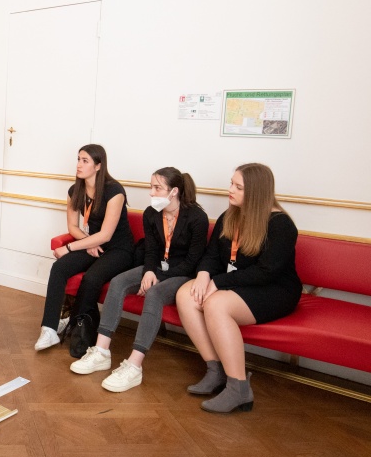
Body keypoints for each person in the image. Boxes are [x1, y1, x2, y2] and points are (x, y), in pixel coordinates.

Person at [70, 167, 208, 393]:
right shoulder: (151, 214)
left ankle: (134, 365)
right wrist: (149, 271)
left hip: (182, 274)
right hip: (155, 268)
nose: (151, 193)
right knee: (118, 281)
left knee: (154, 294)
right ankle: (101, 351)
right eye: (151, 187)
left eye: (157, 188)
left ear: (174, 191)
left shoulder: (196, 217)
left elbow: (192, 262)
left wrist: (159, 277)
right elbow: (151, 251)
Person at [176, 163, 301, 413]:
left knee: (215, 303)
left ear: (256, 192)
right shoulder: (230, 215)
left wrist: (218, 283)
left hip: (275, 289)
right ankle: (216, 370)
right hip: (238, 283)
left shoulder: (281, 225)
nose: (230, 190)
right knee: (186, 294)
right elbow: (212, 254)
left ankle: (239, 388)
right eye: (231, 183)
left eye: (238, 186)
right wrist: (202, 276)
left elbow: (266, 272)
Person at [35, 144, 133, 354]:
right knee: (59, 267)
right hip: (92, 244)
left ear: (98, 166)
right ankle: (50, 328)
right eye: (78, 159)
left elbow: (107, 234)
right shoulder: (74, 190)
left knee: (91, 278)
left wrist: (70, 247)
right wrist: (89, 243)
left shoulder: (114, 191)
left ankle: (76, 323)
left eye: (85, 161)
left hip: (118, 249)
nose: (79, 165)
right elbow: (73, 226)